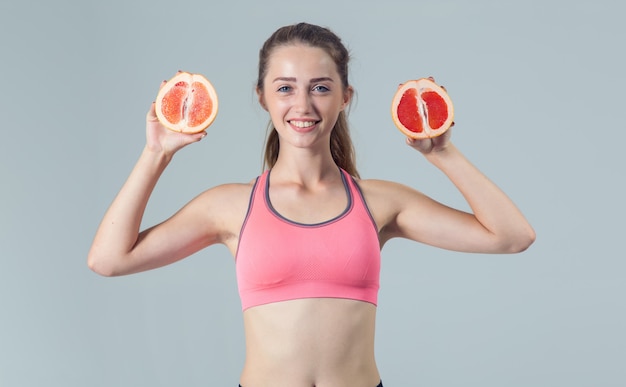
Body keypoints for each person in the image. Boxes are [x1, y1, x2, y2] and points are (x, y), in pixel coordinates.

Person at [88, 22, 535, 387]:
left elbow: (512, 236)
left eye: (320, 87)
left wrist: (441, 153)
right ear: (261, 96)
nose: (302, 104)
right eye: (285, 88)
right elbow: (109, 259)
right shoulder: (229, 206)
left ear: (345, 97)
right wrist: (156, 154)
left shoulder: (380, 202)